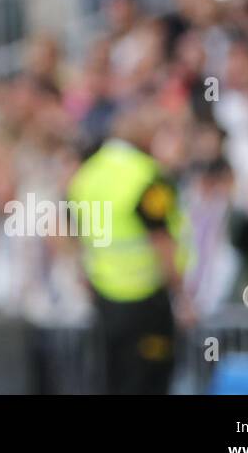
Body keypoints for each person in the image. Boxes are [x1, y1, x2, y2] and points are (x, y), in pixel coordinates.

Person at [66, 107, 189, 394]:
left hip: (105, 299)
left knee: (113, 382)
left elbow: (71, 233)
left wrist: (84, 274)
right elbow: (162, 240)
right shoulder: (146, 175)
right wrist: (182, 295)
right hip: (147, 299)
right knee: (150, 382)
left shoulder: (86, 176)